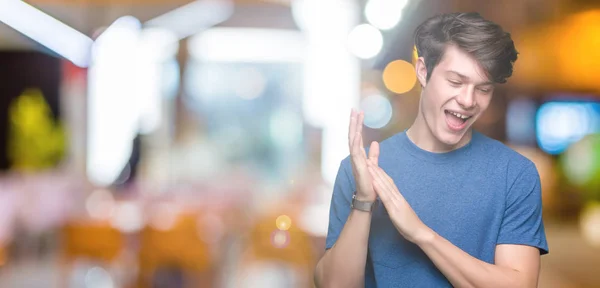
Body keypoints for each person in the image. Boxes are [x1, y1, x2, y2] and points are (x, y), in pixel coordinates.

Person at [314, 12, 548, 287]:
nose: (468, 100)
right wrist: (364, 201)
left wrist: (421, 234)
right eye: (456, 82)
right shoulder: (362, 169)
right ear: (423, 72)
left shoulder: (514, 174)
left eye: (483, 89)